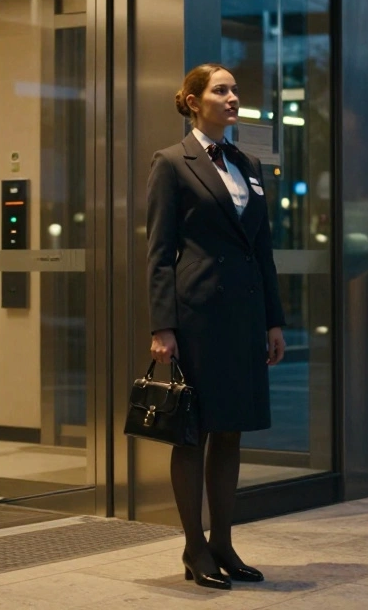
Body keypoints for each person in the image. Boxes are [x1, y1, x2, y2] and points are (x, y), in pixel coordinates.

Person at [146, 63, 287, 590]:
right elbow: (159, 253)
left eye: (235, 90)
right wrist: (163, 326)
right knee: (194, 432)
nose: (233, 98)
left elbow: (262, 249)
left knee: (231, 430)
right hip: (198, 315)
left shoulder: (248, 163)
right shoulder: (171, 162)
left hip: (244, 316)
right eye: (221, 90)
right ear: (192, 100)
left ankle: (224, 543)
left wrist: (273, 320)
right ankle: (194, 547)